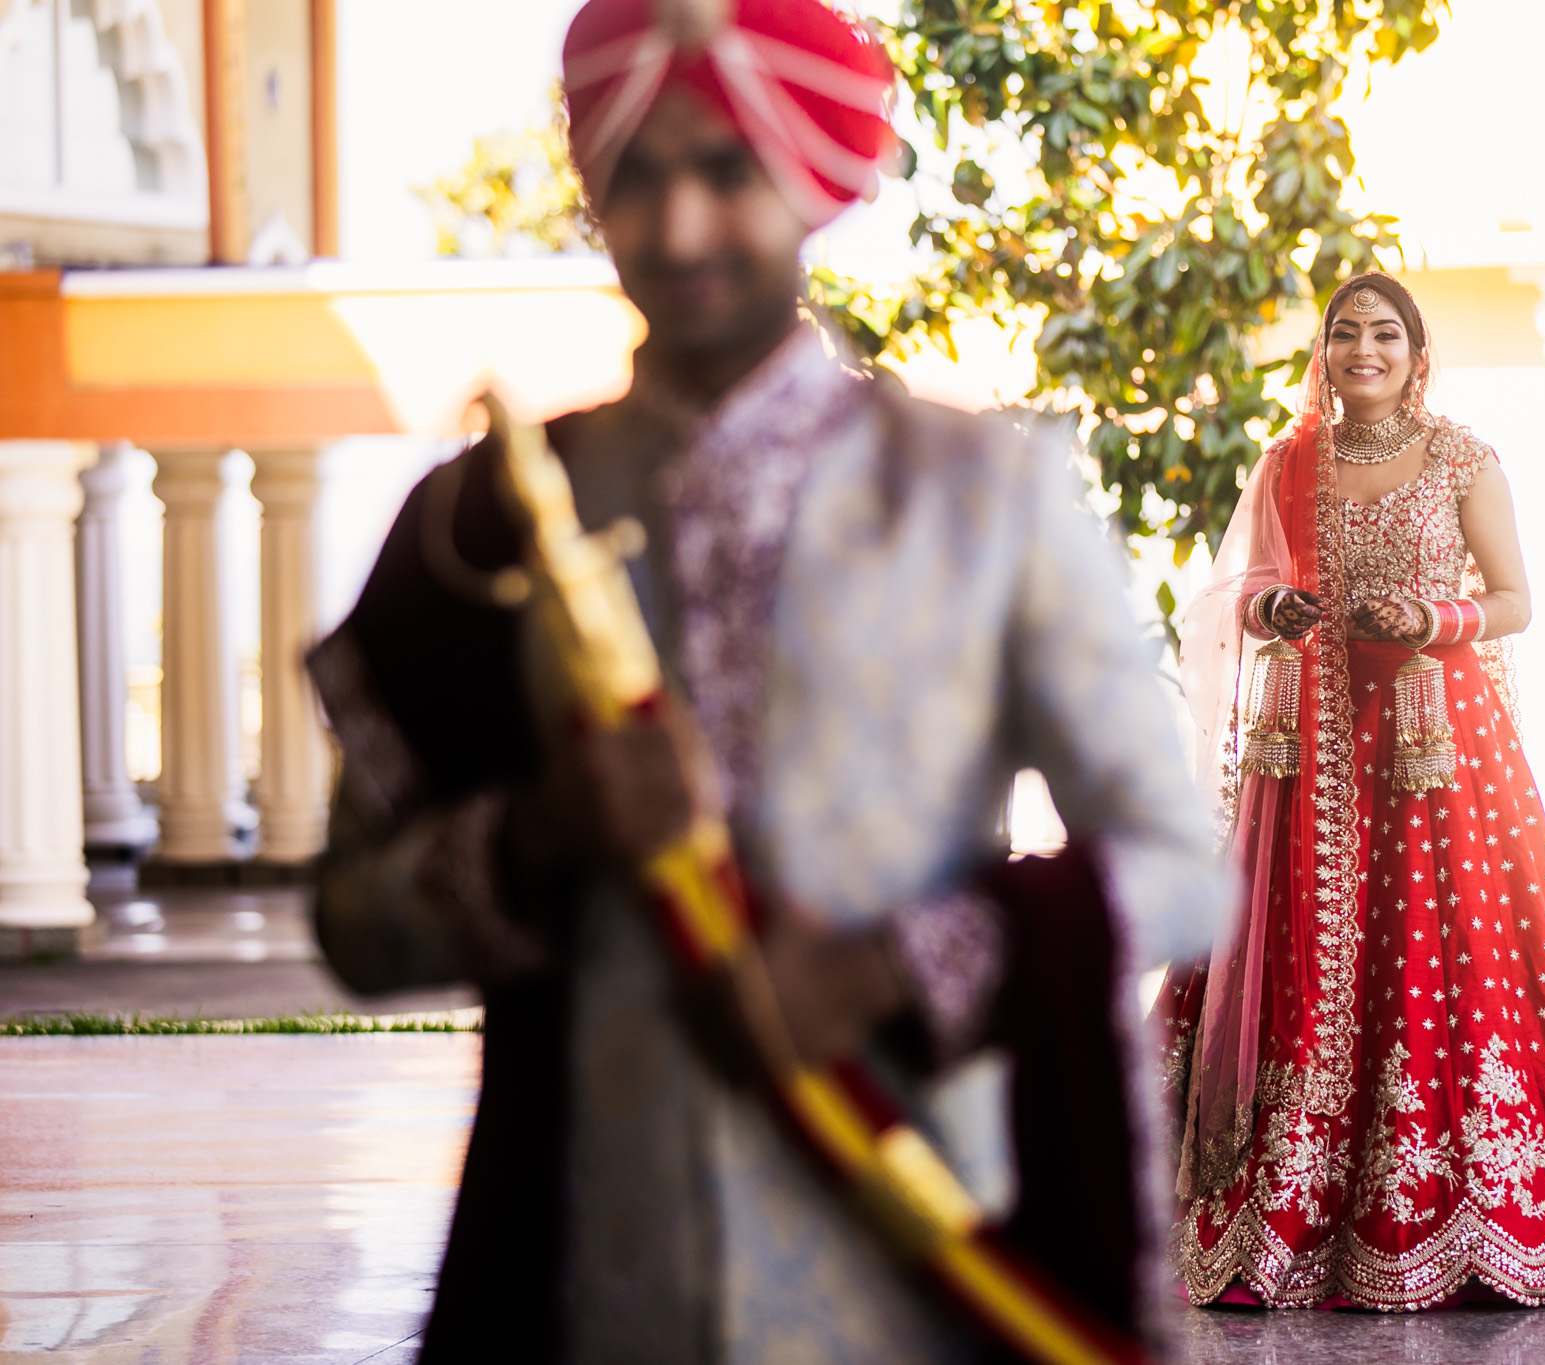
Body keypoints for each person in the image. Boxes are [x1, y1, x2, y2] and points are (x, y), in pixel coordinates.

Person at [305, 0, 1227, 1359]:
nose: (679, 231)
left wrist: (892, 965)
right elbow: (352, 927)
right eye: (638, 177)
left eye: (725, 172)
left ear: (811, 176)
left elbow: (1185, 870)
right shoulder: (488, 524)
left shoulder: (983, 495)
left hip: (923, 1265)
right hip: (591, 1276)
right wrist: (542, 829)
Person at [1159, 271, 1545, 1310]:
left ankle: (1474, 1219)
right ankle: (1283, 1220)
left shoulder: (1461, 458)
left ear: (1415, 351)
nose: (1363, 349)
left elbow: (1513, 601)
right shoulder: (1285, 458)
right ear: (1323, 350)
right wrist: (1275, 608)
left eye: (1383, 334)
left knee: (1443, 950)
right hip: (1307, 752)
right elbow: (1238, 593)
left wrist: (1431, 623)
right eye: (1344, 332)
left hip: (1432, 752)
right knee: (1302, 955)